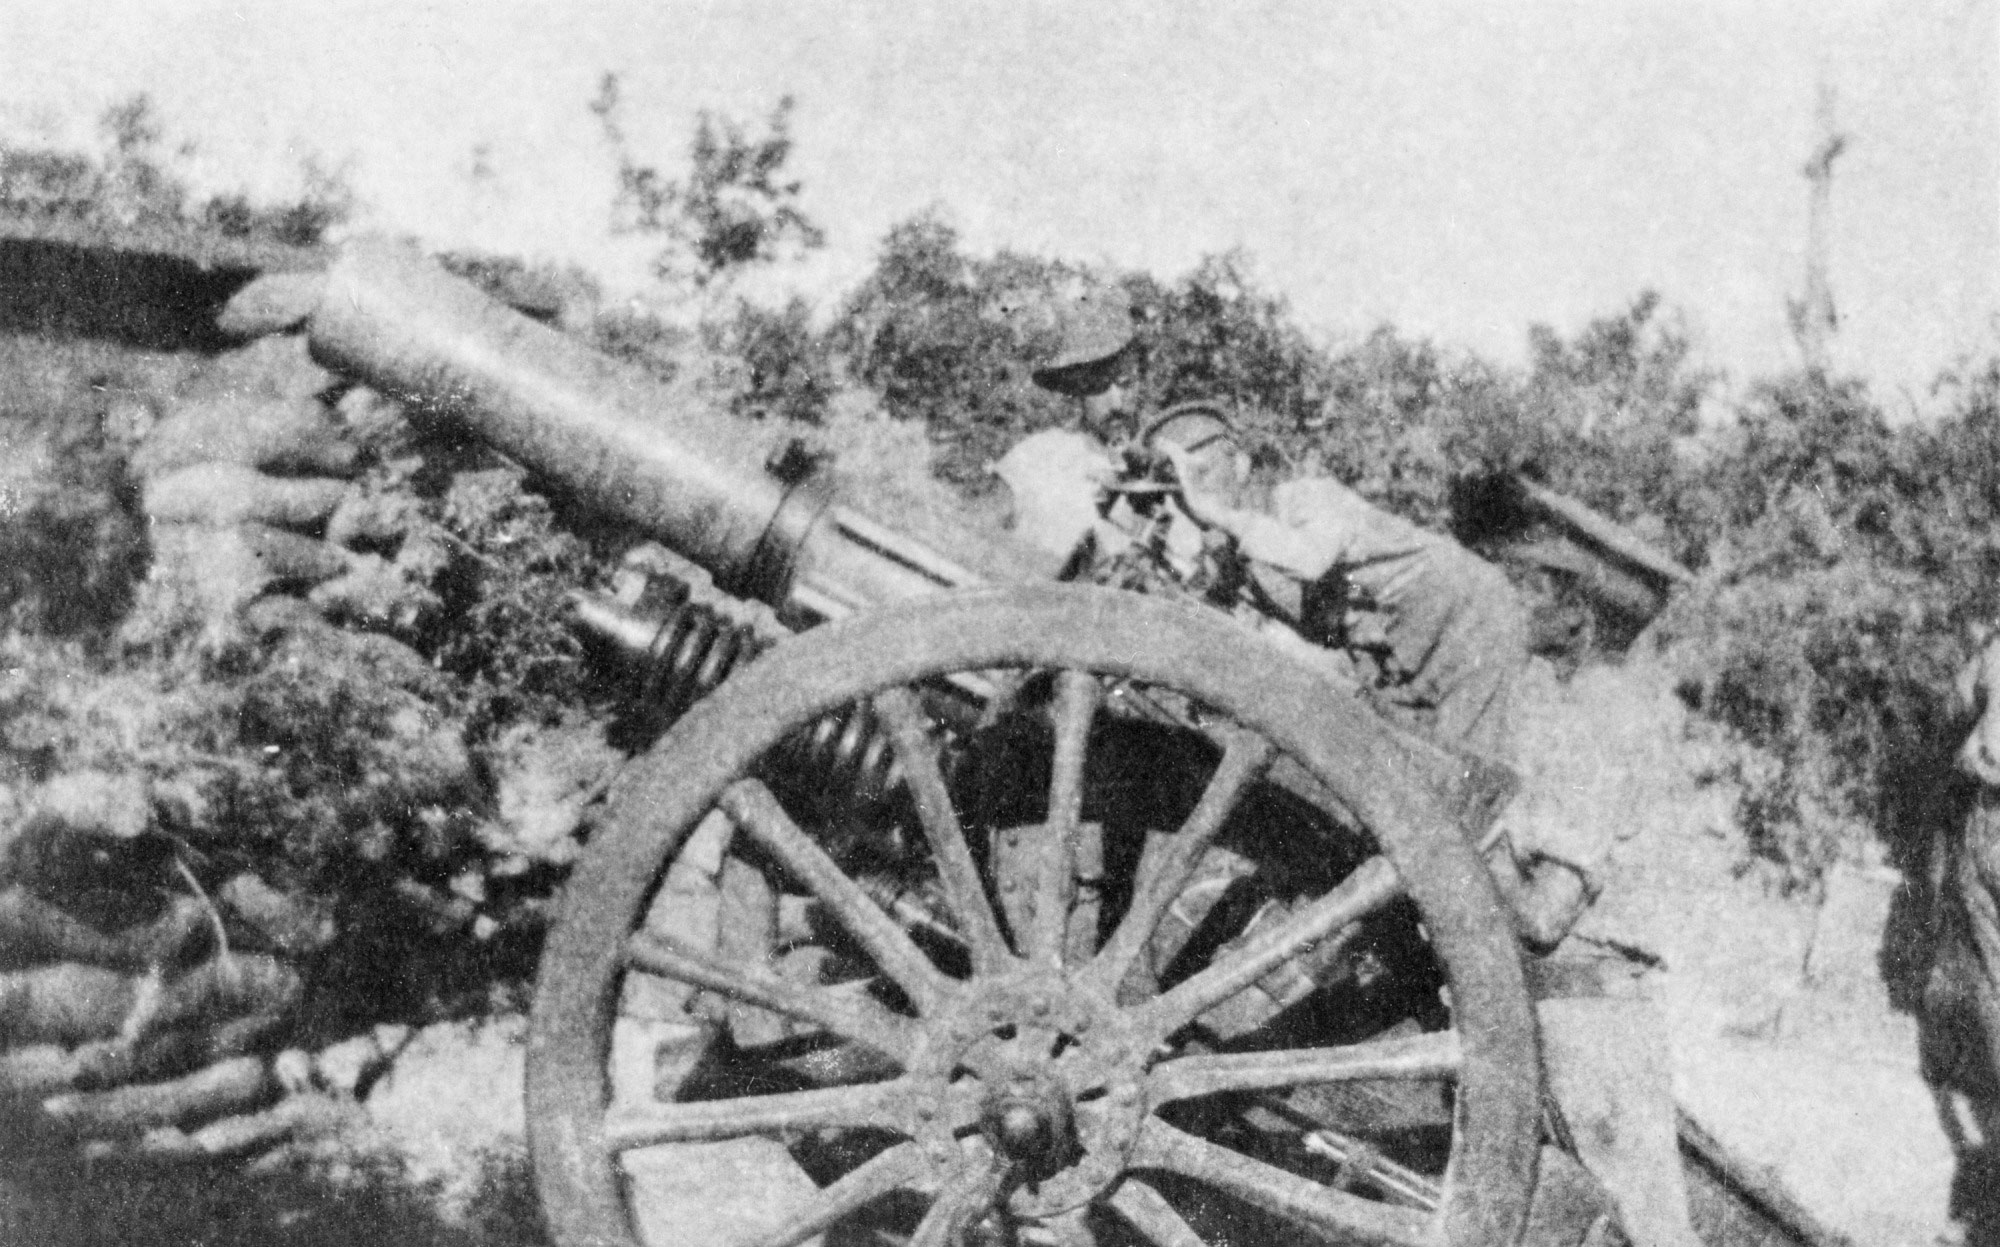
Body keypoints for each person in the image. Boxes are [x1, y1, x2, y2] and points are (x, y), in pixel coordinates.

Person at [1002, 288, 1703, 1247]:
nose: (1518, 605)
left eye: (1535, 592)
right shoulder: (1565, 700)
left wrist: (1447, 851)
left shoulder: (1311, 506)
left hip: (1569, 972)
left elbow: (1535, 919)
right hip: (1503, 887)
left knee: (1638, 1215)